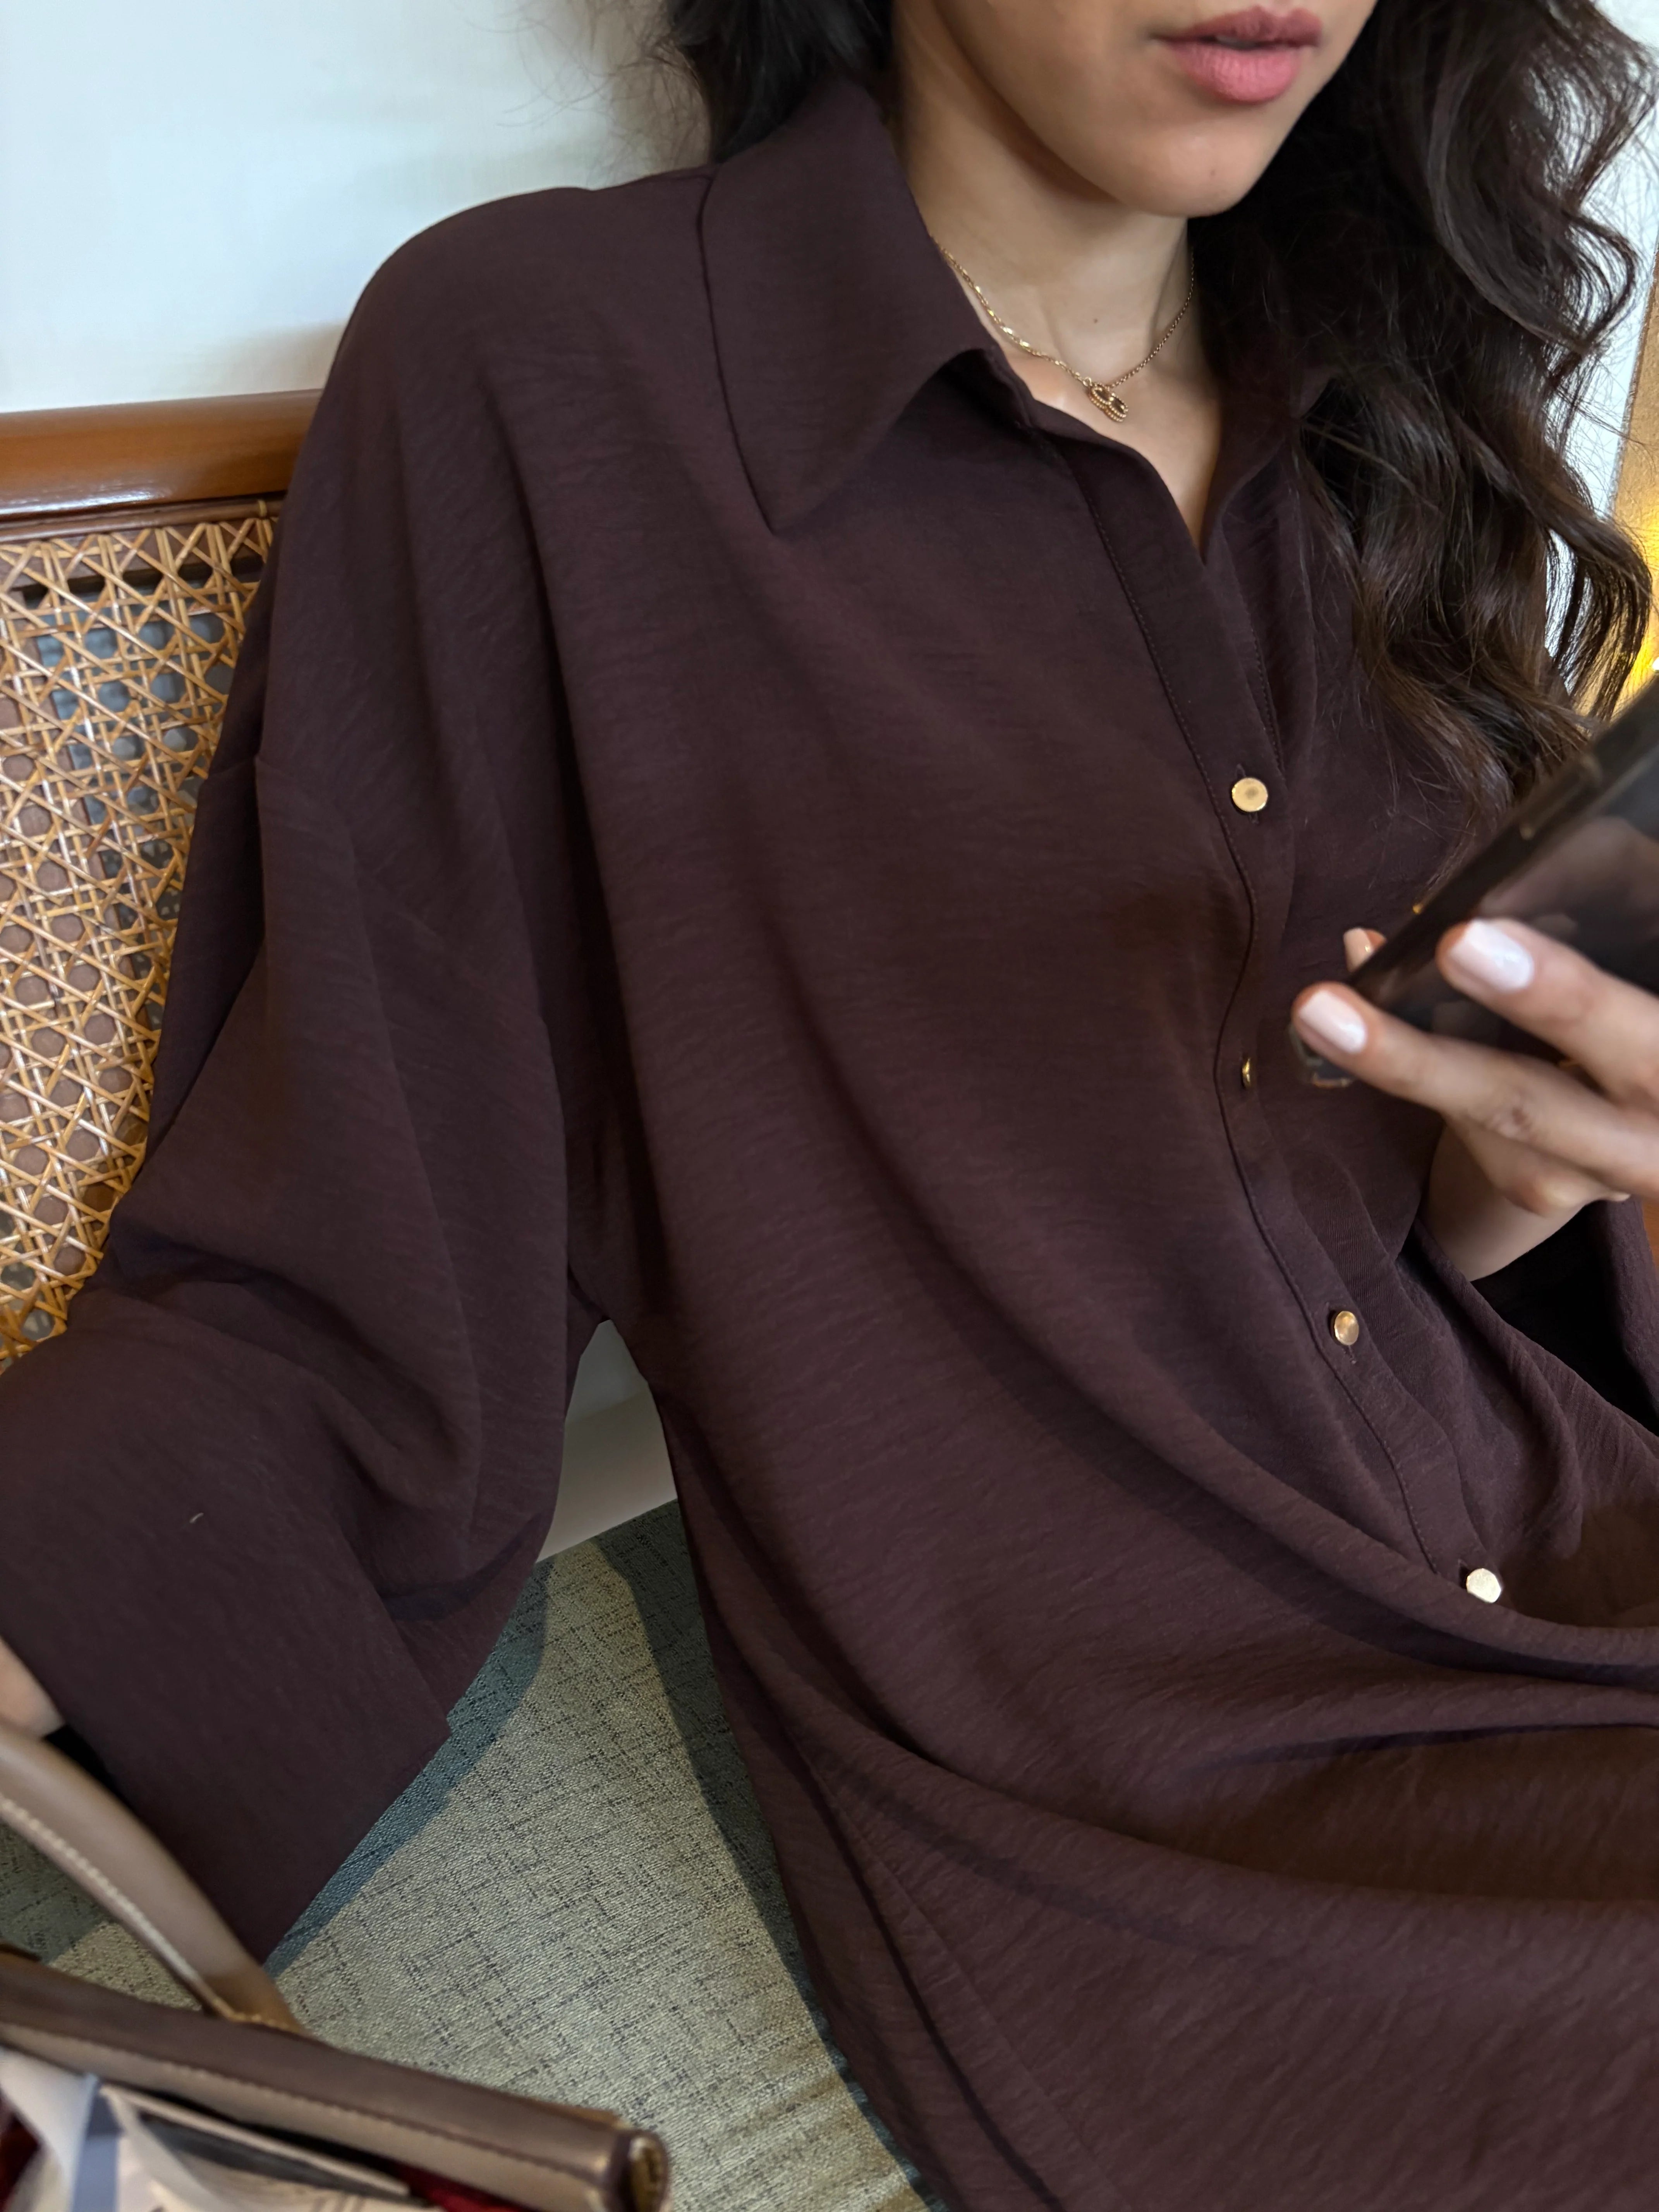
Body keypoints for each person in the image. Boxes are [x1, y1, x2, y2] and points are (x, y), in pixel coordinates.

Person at [5, 0, 1659, 2201]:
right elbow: (345, 1270)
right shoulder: (547, 370)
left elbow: (1381, 1225)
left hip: (1586, 1563)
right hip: (1195, 1821)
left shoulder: (1395, 401)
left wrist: (1518, 1171)